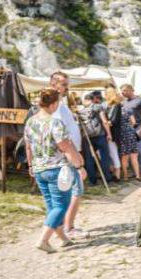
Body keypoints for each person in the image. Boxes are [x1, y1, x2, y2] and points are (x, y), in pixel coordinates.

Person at [24, 88, 87, 253]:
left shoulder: (30, 122)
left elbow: (28, 147)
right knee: (61, 206)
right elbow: (65, 147)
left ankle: (63, 239)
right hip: (57, 170)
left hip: (39, 170)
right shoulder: (55, 122)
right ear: (52, 104)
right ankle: (43, 240)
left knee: (52, 206)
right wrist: (79, 167)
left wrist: (30, 166)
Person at [50, 71, 86, 238]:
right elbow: (61, 134)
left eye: (67, 84)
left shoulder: (60, 103)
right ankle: (68, 227)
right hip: (66, 154)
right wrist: (74, 155)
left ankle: (64, 226)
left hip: (70, 152)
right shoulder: (55, 105)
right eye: (63, 84)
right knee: (76, 189)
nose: (66, 87)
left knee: (71, 190)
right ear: (54, 84)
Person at [78, 91, 115, 187]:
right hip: (100, 135)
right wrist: (109, 134)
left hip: (87, 137)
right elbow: (104, 121)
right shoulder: (98, 107)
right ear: (93, 99)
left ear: (85, 100)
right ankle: (107, 178)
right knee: (104, 157)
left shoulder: (80, 110)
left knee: (89, 158)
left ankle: (92, 180)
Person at [121, 84, 141, 177]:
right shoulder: (124, 102)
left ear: (131, 90)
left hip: (138, 127)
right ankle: (135, 172)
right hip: (128, 130)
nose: (122, 92)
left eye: (124, 90)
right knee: (131, 152)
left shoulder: (140, 100)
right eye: (122, 91)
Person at [115, 90, 141, 180]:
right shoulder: (128, 109)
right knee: (134, 155)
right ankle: (138, 175)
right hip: (130, 133)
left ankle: (125, 176)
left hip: (121, 134)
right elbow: (133, 122)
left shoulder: (115, 110)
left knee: (124, 156)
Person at [103, 87, 123, 182]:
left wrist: (105, 123)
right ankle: (115, 173)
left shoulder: (117, 105)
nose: (105, 95)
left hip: (113, 134)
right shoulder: (108, 106)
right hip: (109, 133)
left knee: (114, 154)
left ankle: (117, 175)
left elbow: (114, 120)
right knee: (112, 154)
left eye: (106, 93)